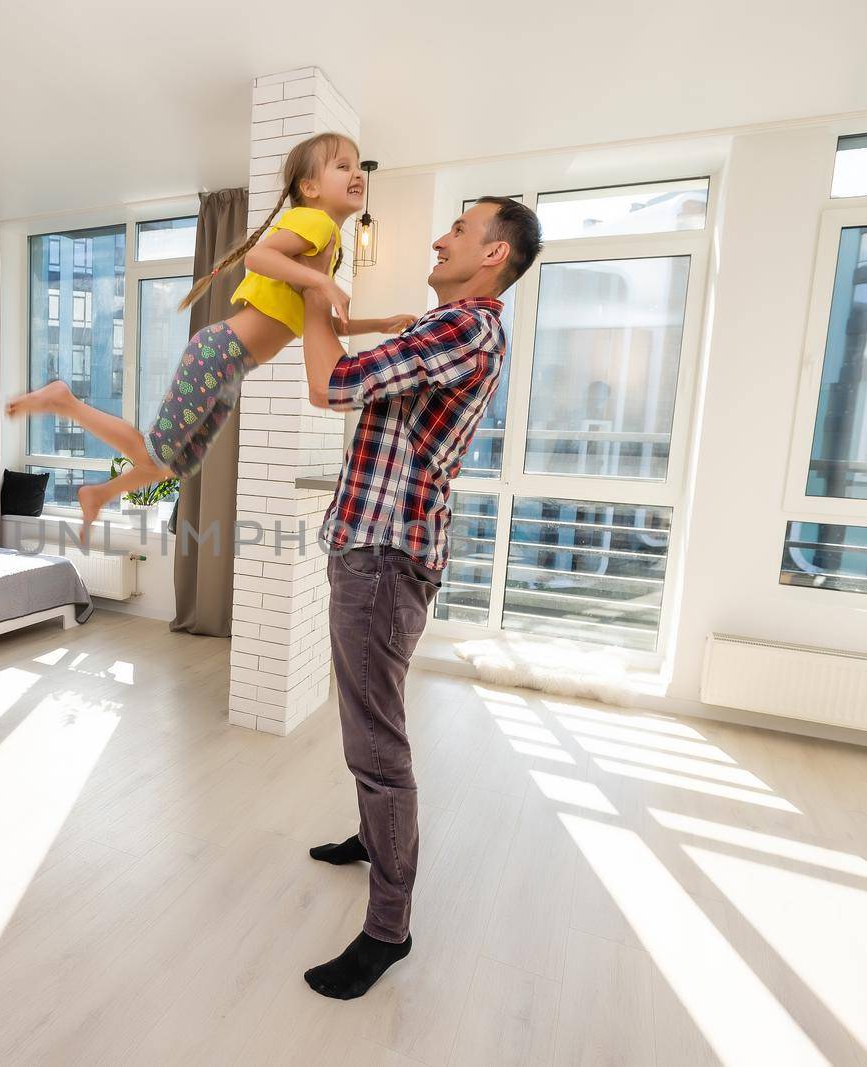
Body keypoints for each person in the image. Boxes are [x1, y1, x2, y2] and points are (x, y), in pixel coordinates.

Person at [298, 196, 543, 1000]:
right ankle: (375, 840)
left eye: (461, 230)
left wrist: (307, 288)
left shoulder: (465, 326)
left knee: (376, 746)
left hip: (382, 560)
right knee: (368, 723)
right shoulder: (448, 329)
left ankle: (387, 930)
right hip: (379, 551)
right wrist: (366, 318)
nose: (440, 237)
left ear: (495, 254)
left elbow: (332, 385)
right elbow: (377, 381)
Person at [4, 132, 415, 538]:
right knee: (153, 453)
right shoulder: (316, 223)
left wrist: (377, 324)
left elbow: (325, 326)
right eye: (342, 165)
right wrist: (322, 283)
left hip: (231, 367)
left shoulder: (329, 247)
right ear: (309, 187)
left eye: (358, 164)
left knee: (173, 465)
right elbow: (258, 257)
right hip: (220, 353)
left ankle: (99, 494)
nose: (356, 172)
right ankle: (64, 401)